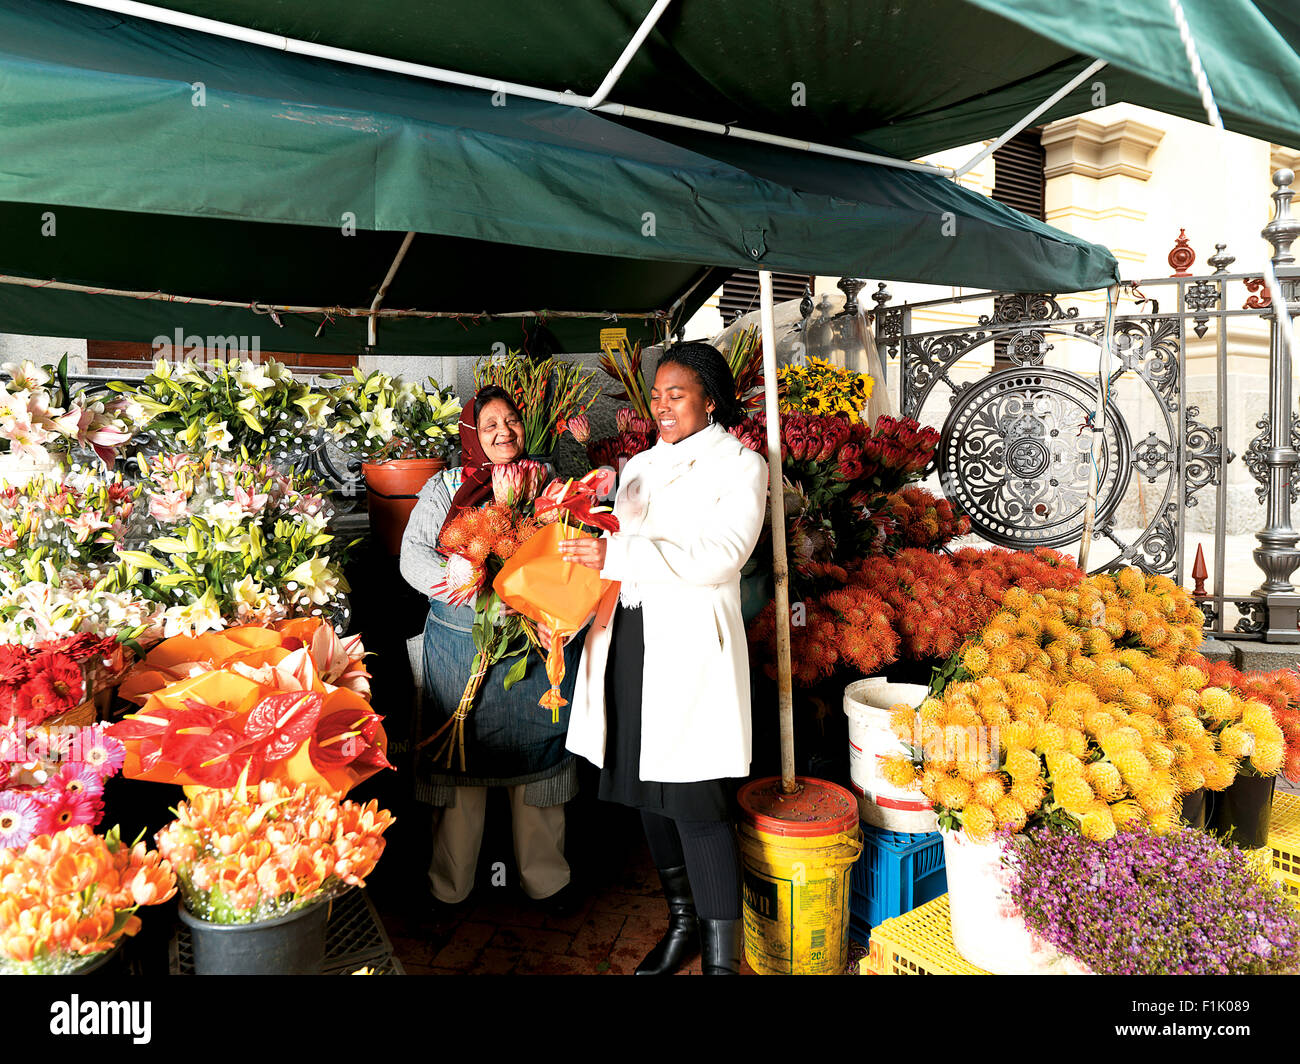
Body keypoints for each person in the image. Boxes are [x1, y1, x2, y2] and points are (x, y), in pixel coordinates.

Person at [557, 342, 768, 975]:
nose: (663, 407)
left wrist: (618, 557)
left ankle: (721, 960)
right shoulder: (639, 467)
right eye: (657, 396)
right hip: (629, 639)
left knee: (696, 799)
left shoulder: (741, 465)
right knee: (646, 788)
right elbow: (615, 544)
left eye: (677, 396)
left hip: (690, 650)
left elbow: (721, 555)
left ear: (710, 399)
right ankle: (682, 924)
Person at [400, 385, 582, 916]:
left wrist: (557, 614)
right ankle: (450, 887)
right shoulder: (445, 488)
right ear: (471, 435)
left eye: (512, 421)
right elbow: (413, 558)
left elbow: (575, 556)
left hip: (532, 646)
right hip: (459, 648)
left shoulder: (547, 481)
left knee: (539, 763)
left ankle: (545, 882)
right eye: (490, 425)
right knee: (460, 769)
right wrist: (472, 587)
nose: (504, 432)